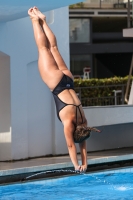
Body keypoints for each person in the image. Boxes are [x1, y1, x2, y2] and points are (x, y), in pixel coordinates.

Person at [28, 7, 99, 172]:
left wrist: (86, 163)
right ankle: (34, 20)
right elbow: (71, 145)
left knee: (53, 48)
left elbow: (83, 142)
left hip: (68, 79)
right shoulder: (69, 123)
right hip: (56, 82)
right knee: (43, 49)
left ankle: (43, 21)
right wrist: (76, 165)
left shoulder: (84, 122)